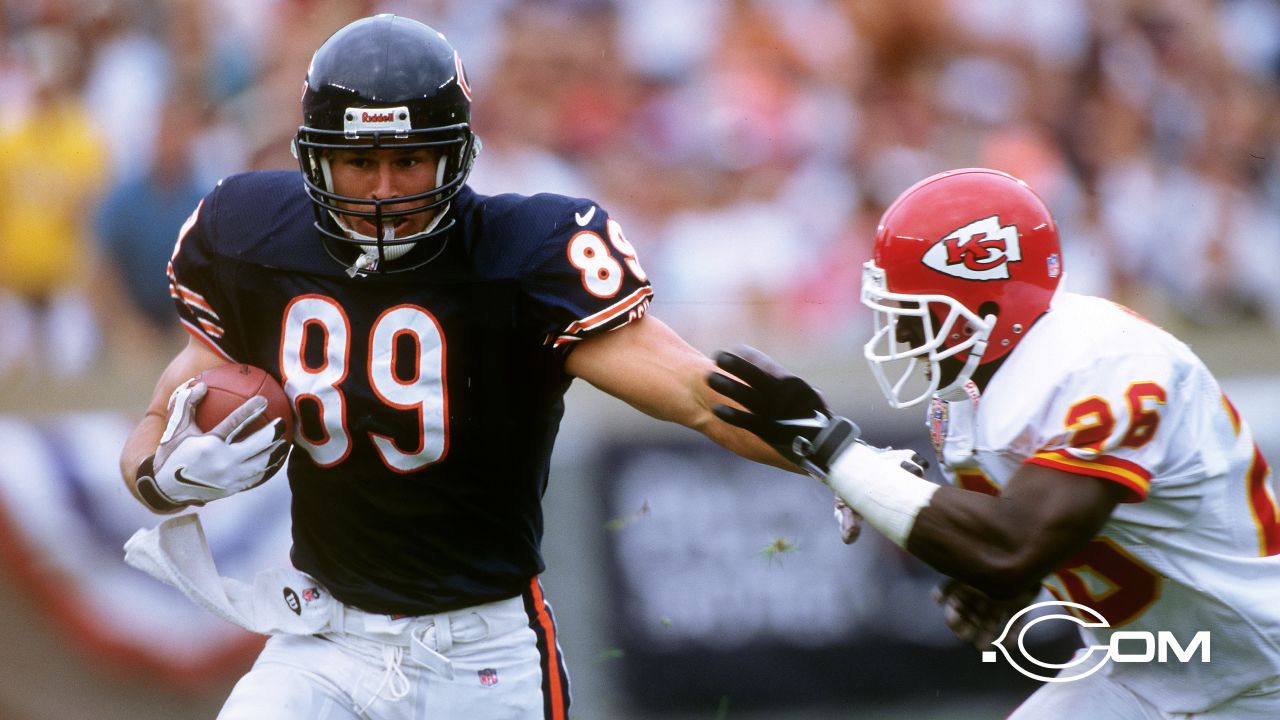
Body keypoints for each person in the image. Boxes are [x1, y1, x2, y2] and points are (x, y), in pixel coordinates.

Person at [117, 14, 784, 720]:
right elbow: (160, 420)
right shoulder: (253, 235)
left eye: (407, 160)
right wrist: (164, 478)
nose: (382, 190)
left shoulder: (521, 253)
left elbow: (693, 394)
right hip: (325, 641)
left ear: (454, 156)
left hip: (483, 656)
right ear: (315, 159)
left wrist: (837, 458)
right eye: (358, 161)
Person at [709, 168, 1280, 718]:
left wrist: (834, 451)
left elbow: (1010, 547)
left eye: (918, 313)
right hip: (1141, 668)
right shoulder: (965, 399)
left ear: (987, 303)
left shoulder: (1108, 363)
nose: (901, 335)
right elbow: (1010, 548)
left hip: (1257, 674)